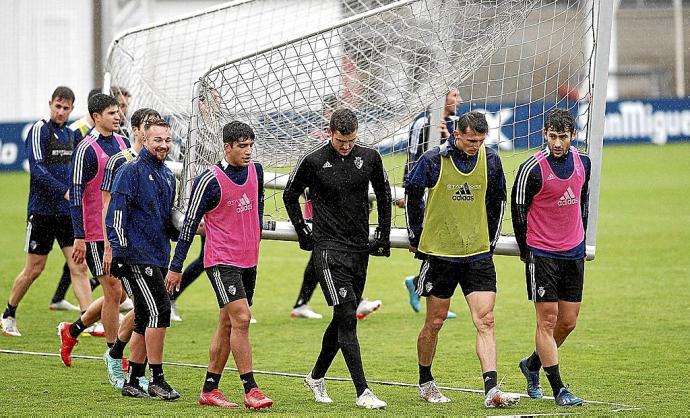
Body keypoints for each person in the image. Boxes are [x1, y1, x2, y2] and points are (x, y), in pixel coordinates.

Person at [405, 111, 518, 408]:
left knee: (487, 320)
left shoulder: (491, 160)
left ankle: (491, 390)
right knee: (436, 321)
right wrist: (416, 235)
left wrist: (490, 241)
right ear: (457, 134)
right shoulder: (433, 160)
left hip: (478, 255)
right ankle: (425, 380)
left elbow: (497, 200)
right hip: (441, 254)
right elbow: (413, 192)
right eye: (470, 140)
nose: (475, 145)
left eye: (480, 141)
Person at [283, 108, 391, 409]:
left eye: (351, 140)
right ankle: (363, 392)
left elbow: (383, 193)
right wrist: (303, 231)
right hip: (328, 249)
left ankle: (316, 377)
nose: (346, 146)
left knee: (342, 316)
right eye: (341, 140)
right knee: (347, 318)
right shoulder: (313, 160)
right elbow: (289, 194)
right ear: (330, 133)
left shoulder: (369, 157)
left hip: (359, 249)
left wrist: (382, 233)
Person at [165, 121, 273, 409]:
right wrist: (176, 267)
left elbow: (258, 205)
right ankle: (251, 390)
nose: (248, 151)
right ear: (227, 147)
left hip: (249, 260)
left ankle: (209, 389)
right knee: (242, 319)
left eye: (251, 145)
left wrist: (255, 239)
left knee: (227, 323)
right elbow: (188, 226)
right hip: (221, 260)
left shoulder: (256, 171)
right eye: (242, 146)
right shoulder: (208, 180)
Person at [511, 108, 591, 407]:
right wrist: (525, 250)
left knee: (567, 323)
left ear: (573, 136)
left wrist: (580, 238)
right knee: (547, 320)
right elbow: (518, 210)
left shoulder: (584, 163)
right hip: (542, 253)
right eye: (553, 136)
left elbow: (582, 201)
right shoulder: (532, 168)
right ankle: (559, 389)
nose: (558, 142)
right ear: (545, 134)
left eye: (564, 137)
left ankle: (532, 365)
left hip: (574, 252)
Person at [1, 86, 91, 337]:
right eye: (57, 106)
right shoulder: (40, 129)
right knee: (34, 269)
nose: (61, 111)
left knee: (79, 267)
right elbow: (37, 170)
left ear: (72, 109)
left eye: (66, 108)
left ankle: (86, 319)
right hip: (41, 212)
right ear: (50, 103)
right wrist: (64, 191)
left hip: (65, 214)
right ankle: (8, 313)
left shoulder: (71, 135)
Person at [106, 118, 180, 400]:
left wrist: (181, 227)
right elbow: (116, 215)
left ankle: (134, 380)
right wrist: (120, 253)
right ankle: (157, 379)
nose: (163, 145)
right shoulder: (130, 171)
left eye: (167, 140)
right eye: (157, 140)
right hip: (136, 256)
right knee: (160, 310)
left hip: (159, 254)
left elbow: (165, 220)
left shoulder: (167, 176)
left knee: (145, 315)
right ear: (145, 141)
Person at [291, 95, 382, 321]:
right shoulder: (317, 143)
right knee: (323, 255)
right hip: (322, 209)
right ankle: (347, 301)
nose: (346, 145)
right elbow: (303, 176)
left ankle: (307, 302)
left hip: (347, 215)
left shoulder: (354, 146)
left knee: (323, 257)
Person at [57, 93, 130, 367]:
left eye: (118, 112)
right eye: (111, 113)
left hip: (119, 231)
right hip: (96, 232)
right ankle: (114, 354)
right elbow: (75, 195)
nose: (117, 116)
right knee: (113, 291)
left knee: (120, 293)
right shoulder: (86, 149)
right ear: (97, 117)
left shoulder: (123, 143)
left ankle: (72, 329)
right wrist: (79, 236)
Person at [99, 107, 162, 390]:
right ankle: (120, 361)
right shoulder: (121, 163)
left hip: (151, 249)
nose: (156, 135)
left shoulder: (160, 166)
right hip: (127, 247)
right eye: (148, 126)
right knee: (143, 307)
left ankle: (122, 360)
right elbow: (108, 207)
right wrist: (110, 247)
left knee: (143, 308)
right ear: (137, 130)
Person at [401, 88, 460, 319]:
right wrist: (408, 192)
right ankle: (423, 288)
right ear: (441, 98)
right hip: (425, 193)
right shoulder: (422, 123)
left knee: (447, 243)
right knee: (435, 245)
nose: (459, 100)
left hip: (449, 195)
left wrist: (448, 137)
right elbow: (412, 157)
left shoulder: (455, 124)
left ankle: (419, 284)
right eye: (455, 95)